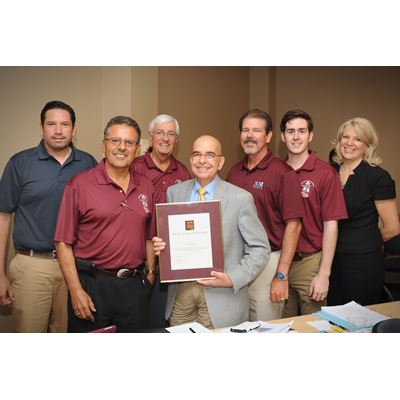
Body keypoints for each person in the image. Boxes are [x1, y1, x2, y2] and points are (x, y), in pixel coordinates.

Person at [153, 135, 270, 329]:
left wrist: (233, 278)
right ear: (190, 159)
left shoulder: (240, 198)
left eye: (209, 155)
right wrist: (163, 246)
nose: (202, 161)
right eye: (197, 155)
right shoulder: (174, 193)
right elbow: (172, 238)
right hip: (182, 294)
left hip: (221, 296)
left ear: (220, 161)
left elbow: (260, 248)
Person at [0, 100, 97, 332]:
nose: (58, 130)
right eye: (51, 124)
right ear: (41, 127)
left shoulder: (88, 164)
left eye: (64, 124)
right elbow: (3, 218)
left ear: (74, 129)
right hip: (32, 266)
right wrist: (0, 274)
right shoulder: (20, 163)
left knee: (68, 334)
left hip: (75, 268)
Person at [54, 116, 156, 332]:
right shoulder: (79, 184)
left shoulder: (146, 186)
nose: (122, 147)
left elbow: (150, 235)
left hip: (133, 287)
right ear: (104, 145)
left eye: (129, 142)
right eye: (115, 140)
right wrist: (75, 290)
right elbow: (63, 242)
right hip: (92, 286)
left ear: (137, 149)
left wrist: (150, 273)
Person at [226, 109, 304, 321]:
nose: (249, 135)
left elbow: (294, 226)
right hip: (237, 261)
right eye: (245, 130)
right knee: (237, 323)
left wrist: (281, 275)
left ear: (268, 136)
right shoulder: (233, 173)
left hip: (268, 262)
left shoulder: (284, 174)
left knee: (265, 326)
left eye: (256, 130)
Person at [280, 109, 347, 316]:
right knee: (282, 324)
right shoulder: (276, 171)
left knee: (313, 325)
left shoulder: (326, 173)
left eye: (302, 131)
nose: (296, 137)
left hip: (310, 261)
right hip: (279, 262)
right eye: (290, 131)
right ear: (283, 136)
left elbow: (331, 225)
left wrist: (323, 274)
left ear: (310, 135)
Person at [328, 117, 400, 306]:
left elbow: (393, 228)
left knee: (358, 322)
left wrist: (365, 242)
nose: (350, 143)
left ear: (367, 145)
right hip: (330, 259)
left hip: (363, 263)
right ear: (339, 140)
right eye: (346, 137)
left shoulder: (377, 177)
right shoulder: (329, 172)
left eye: (358, 139)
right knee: (331, 317)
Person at [131, 114, 190, 328]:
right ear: (151, 136)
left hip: (170, 262)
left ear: (177, 140)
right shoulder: (134, 167)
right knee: (136, 321)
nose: (165, 138)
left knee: (161, 320)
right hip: (136, 261)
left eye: (171, 134)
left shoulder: (183, 172)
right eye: (160, 133)